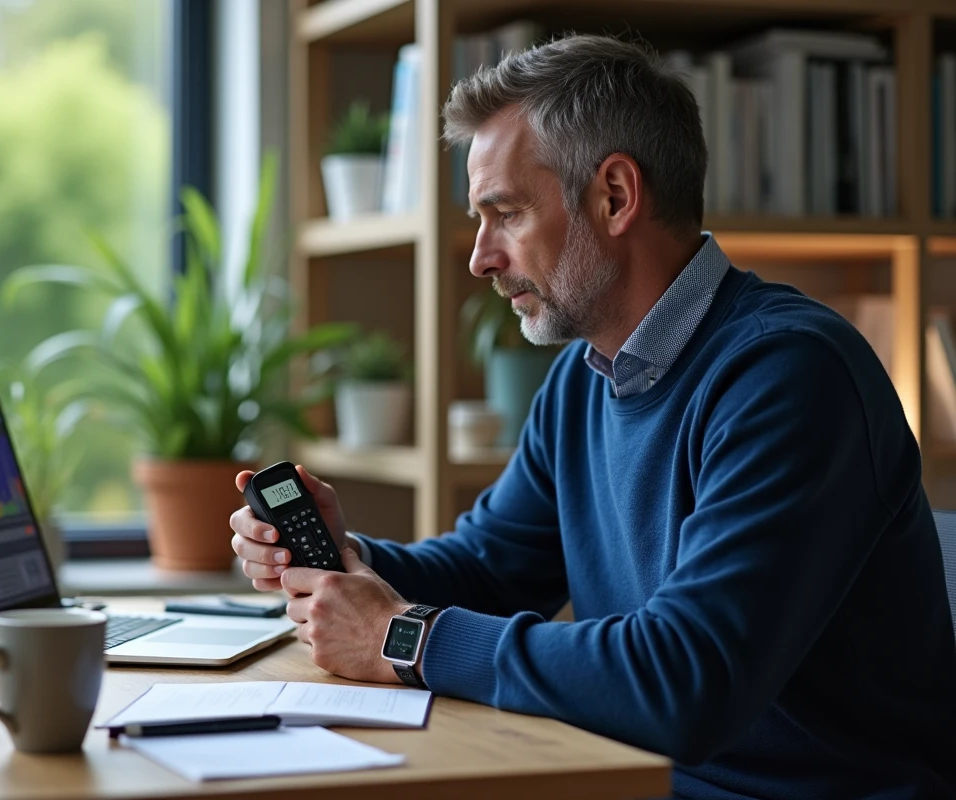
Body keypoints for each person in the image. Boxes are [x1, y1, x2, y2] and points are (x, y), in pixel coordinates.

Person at [230, 34, 956, 799]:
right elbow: (491, 570)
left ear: (614, 195)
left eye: (504, 213)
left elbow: (686, 681)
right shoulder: (583, 384)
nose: (480, 257)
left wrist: (402, 637)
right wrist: (344, 557)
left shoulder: (790, 375)